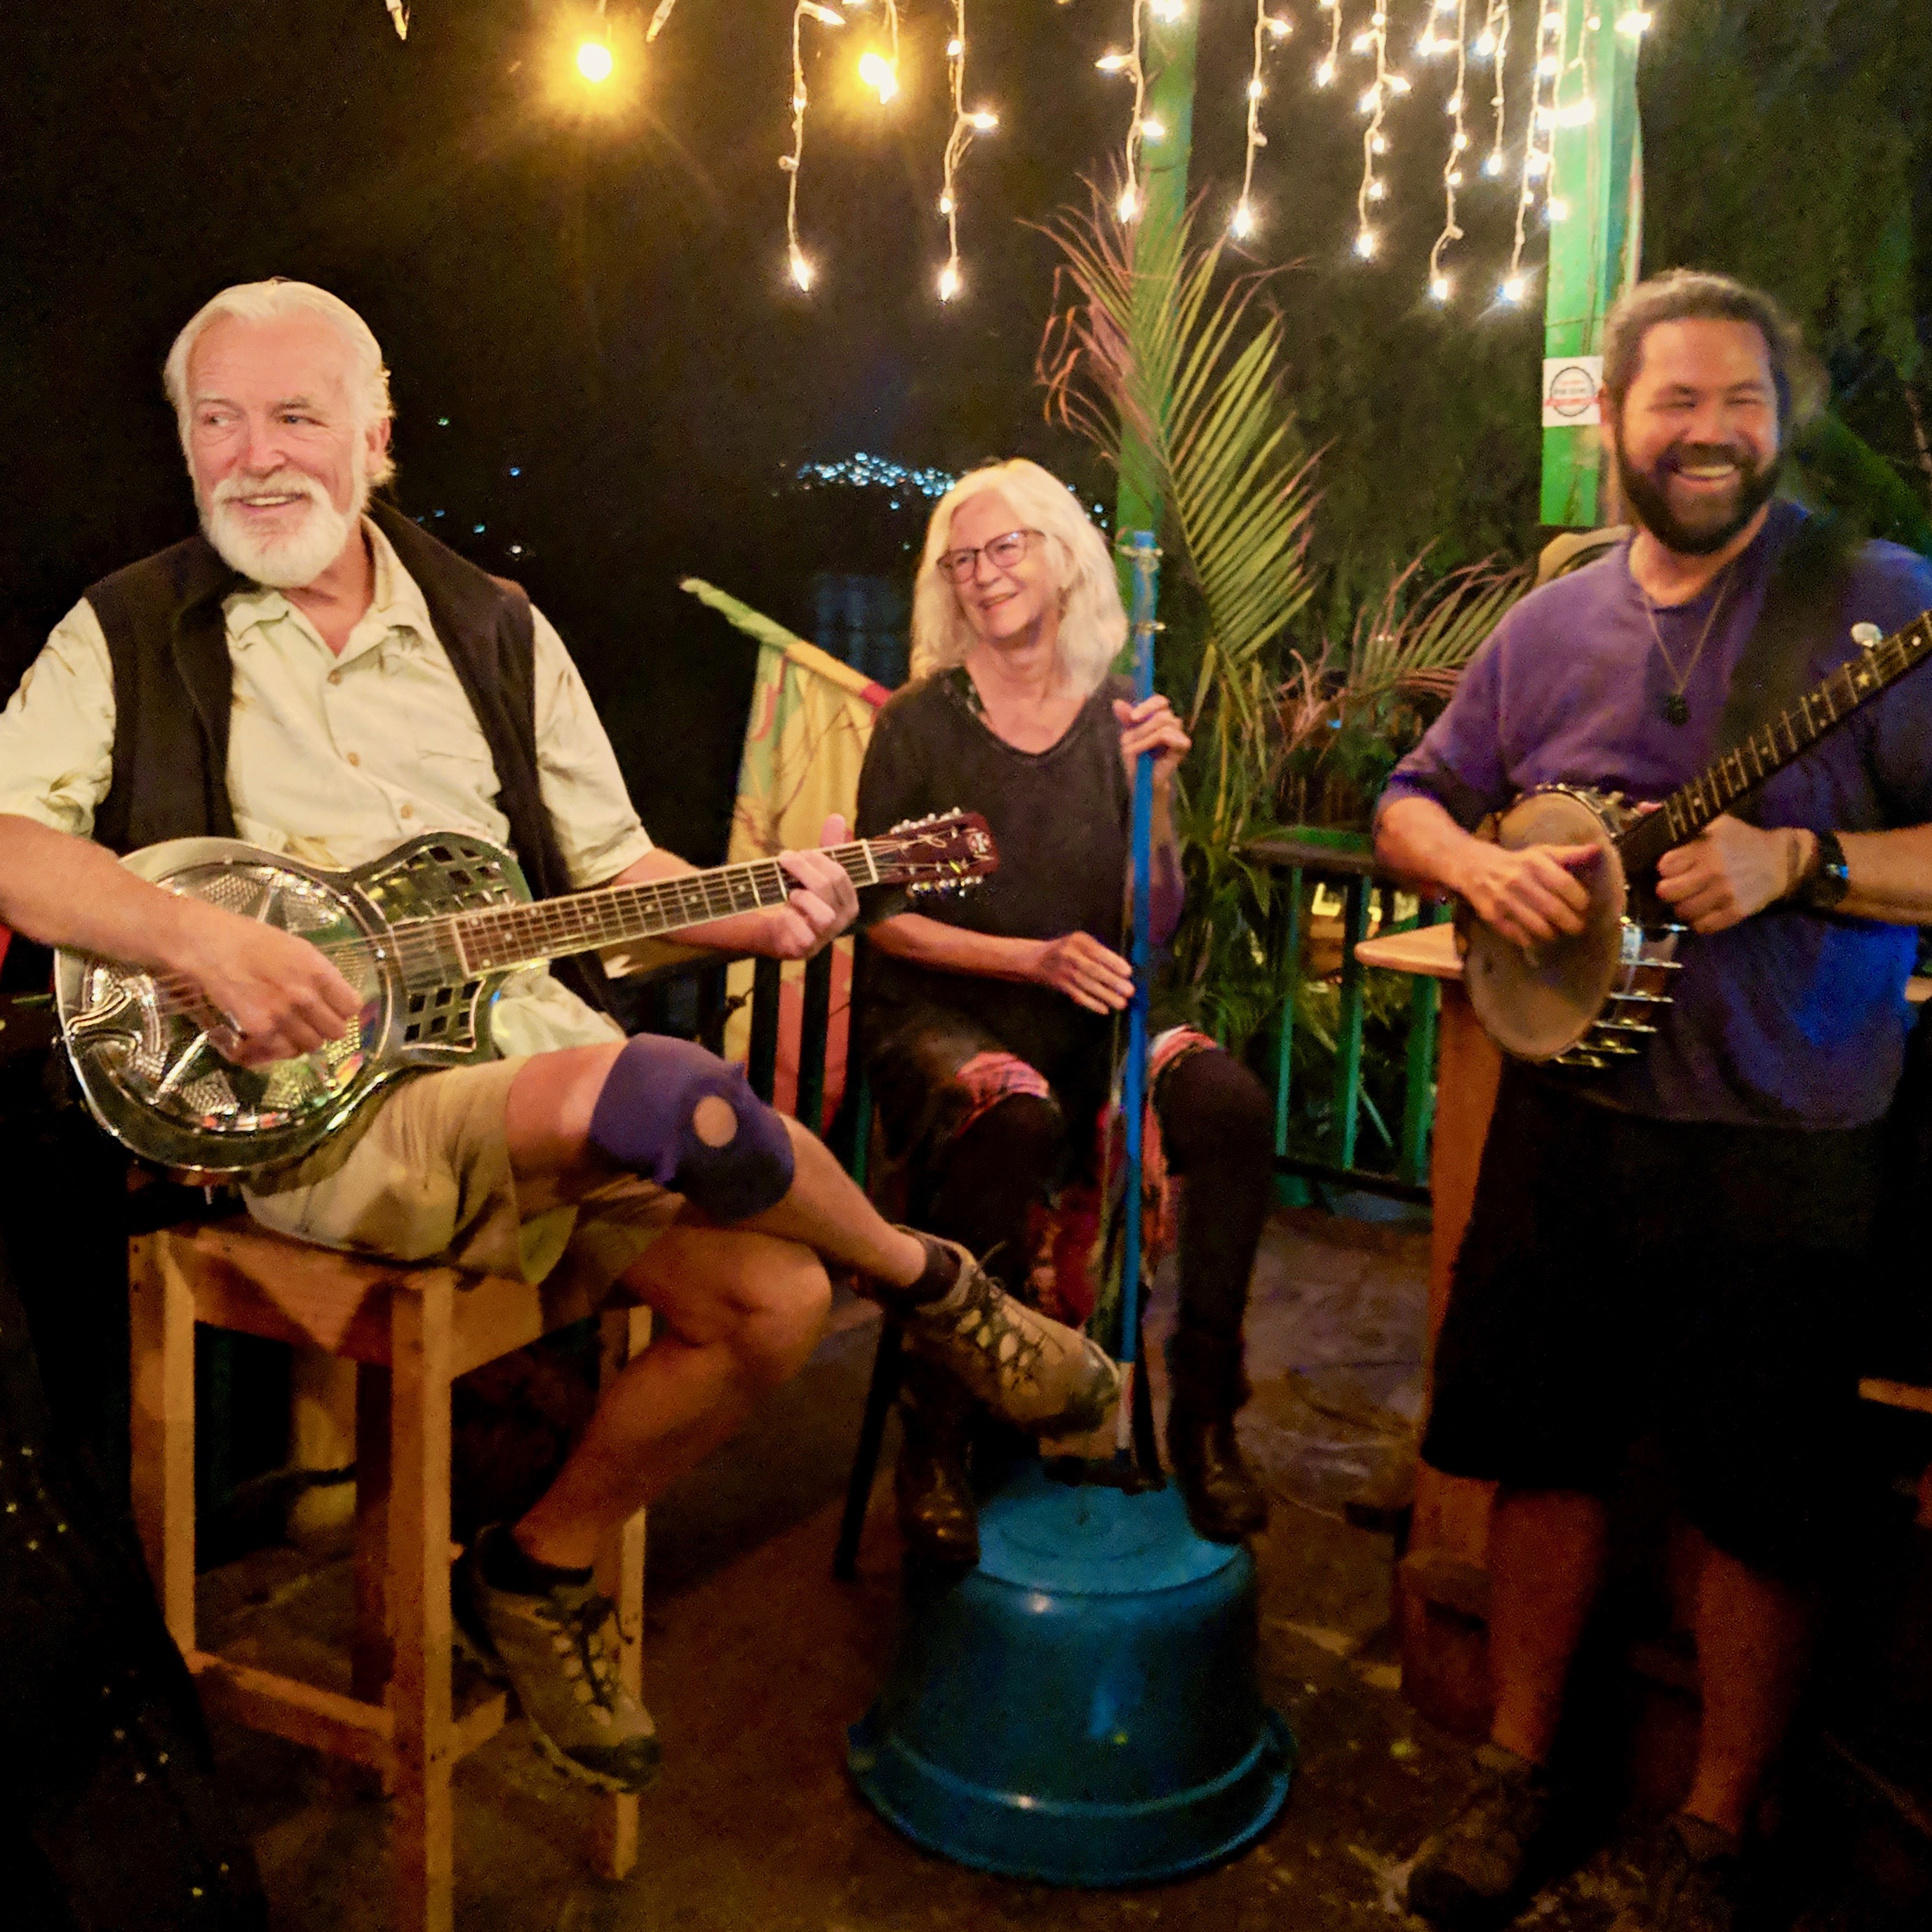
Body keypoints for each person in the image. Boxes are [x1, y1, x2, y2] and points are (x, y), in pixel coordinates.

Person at [0, 281, 1119, 1799]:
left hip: (522, 1067)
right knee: (669, 1087)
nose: (253, 458)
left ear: (376, 438)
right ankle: (938, 1285)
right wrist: (194, 934)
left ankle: (534, 1569)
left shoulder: (494, 627)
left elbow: (614, 884)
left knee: (776, 1302)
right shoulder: (127, 627)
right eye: (217, 422)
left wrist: (767, 909)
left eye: (295, 417)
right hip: (306, 1107)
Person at [1376, 269, 1932, 1932]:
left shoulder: (1879, 604)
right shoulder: (1547, 628)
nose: (1708, 431)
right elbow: (1415, 800)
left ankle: (1709, 1831)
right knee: (1542, 1460)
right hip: (1571, 1122)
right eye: (1674, 401)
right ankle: (1519, 1769)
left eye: (1741, 401)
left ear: (1782, 420)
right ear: (1613, 420)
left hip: (1787, 1132)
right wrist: (1480, 862)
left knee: (1761, 1499)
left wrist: (1811, 862)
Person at [854, 458, 1277, 1562]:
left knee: (1227, 1104)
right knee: (1015, 1115)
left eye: (1007, 547)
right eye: (963, 559)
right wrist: (1029, 959)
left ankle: (1203, 1412)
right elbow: (882, 919)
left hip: (1092, 1013)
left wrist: (1161, 792)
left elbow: (1157, 922)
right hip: (942, 1016)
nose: (985, 574)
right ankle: (940, 1432)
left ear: (1059, 556)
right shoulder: (916, 724)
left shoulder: (1115, 719)